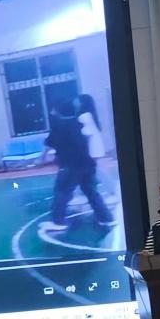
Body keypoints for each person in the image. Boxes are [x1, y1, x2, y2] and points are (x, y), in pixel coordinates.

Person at [40, 101, 116, 232]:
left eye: (53, 110)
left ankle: (58, 221)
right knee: (91, 192)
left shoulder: (59, 125)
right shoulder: (79, 122)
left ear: (58, 111)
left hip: (69, 165)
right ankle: (106, 218)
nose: (51, 112)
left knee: (61, 192)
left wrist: (41, 159)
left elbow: (48, 144)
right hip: (87, 163)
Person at [76, 93, 117, 199]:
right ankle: (85, 191)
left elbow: (86, 134)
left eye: (78, 101)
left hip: (90, 148)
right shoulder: (90, 115)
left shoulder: (83, 116)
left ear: (82, 103)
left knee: (94, 170)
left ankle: (111, 188)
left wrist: (82, 149)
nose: (76, 103)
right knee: (90, 170)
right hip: (95, 147)